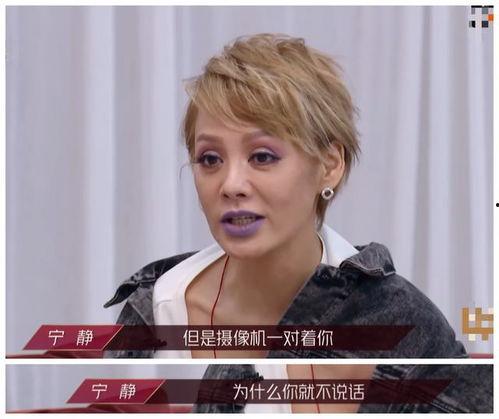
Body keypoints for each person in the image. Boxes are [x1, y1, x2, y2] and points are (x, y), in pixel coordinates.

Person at [104, 33, 473, 413]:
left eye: (262, 157)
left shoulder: (400, 324)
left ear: (329, 165)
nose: (231, 185)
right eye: (210, 159)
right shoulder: (157, 310)